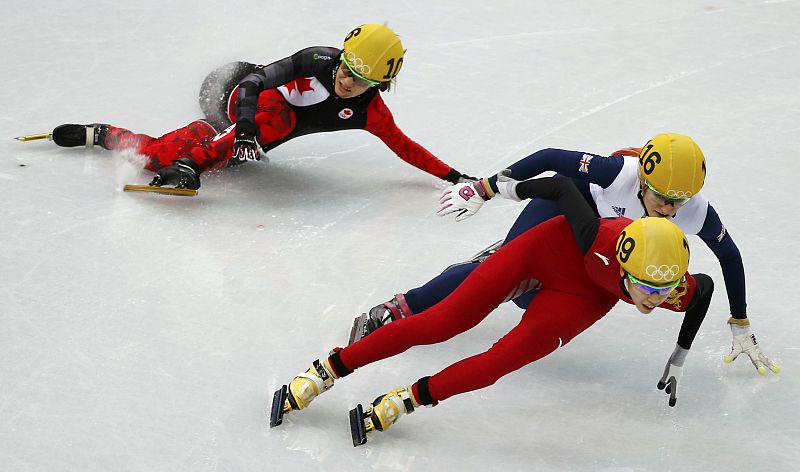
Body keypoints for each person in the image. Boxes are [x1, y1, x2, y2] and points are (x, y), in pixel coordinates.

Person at [271, 173, 715, 446]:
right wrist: (499, 188)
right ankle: (327, 370)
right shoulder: (594, 235)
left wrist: (678, 358)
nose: (653, 300)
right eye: (643, 287)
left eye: (663, 291)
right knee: (440, 324)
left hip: (583, 298)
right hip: (547, 252)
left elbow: (705, 290)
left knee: (498, 362)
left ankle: (405, 400)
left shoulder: (673, 287)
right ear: (624, 264)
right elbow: (561, 185)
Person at [352, 133, 779, 376]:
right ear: (643, 181)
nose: (668, 209)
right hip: (565, 213)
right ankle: (399, 307)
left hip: (600, 245)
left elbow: (731, 257)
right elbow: (551, 158)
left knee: (529, 299)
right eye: (661, 197)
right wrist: (486, 187)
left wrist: (739, 322)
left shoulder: (696, 211)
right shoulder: (619, 174)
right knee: (498, 275)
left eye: (678, 202)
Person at [46, 24, 475, 189]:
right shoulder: (317, 59)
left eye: (359, 80)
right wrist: (244, 130)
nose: (345, 81)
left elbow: (405, 147)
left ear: (379, 84)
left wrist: (456, 177)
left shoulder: (371, 113)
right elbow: (253, 82)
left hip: (244, 136)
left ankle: (100, 133)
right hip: (227, 90)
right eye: (346, 68)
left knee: (157, 157)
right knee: (277, 117)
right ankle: (196, 162)